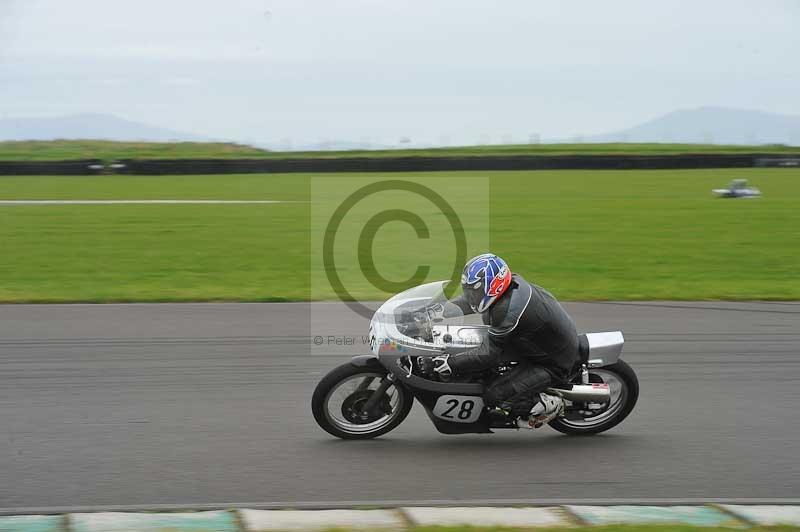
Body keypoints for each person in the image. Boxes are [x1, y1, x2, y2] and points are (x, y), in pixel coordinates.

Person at [417, 253, 579, 428]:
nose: (471, 295)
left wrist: (448, 363)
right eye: (469, 290)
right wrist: (435, 312)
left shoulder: (508, 312)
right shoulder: (506, 290)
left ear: (492, 286)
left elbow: (489, 354)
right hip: (538, 341)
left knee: (494, 394)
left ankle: (552, 404)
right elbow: (468, 302)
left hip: (552, 361)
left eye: (475, 290)